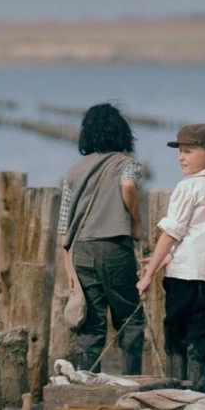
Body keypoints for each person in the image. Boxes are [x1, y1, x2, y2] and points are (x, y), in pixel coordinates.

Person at [136, 123, 205, 392]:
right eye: (180, 151)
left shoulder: (187, 187)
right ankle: (198, 393)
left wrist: (148, 274)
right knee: (202, 338)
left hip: (185, 276)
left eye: (188, 151)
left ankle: (177, 393)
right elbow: (202, 233)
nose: (181, 157)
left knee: (176, 334)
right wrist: (166, 259)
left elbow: (171, 234)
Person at [57, 103, 145, 375]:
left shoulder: (73, 170)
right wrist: (136, 220)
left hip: (81, 250)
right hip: (114, 246)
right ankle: (132, 378)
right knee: (129, 317)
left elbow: (64, 226)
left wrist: (68, 268)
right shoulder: (127, 164)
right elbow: (128, 185)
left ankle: (88, 380)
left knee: (89, 322)